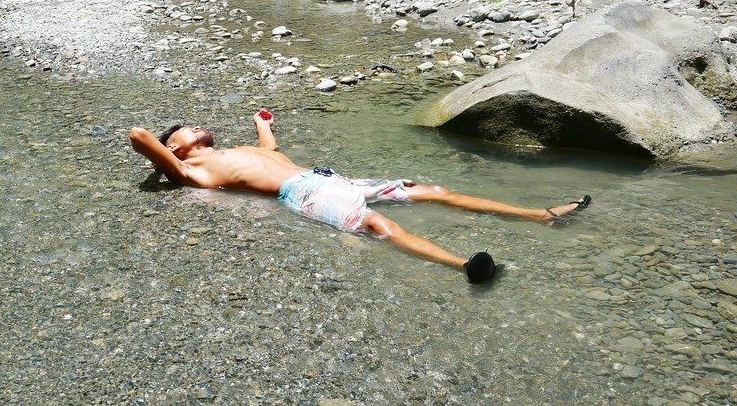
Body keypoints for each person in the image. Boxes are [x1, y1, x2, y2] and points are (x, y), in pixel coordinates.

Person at [130, 109, 592, 284]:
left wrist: (262, 125)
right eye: (187, 129)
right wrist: (166, 163)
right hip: (303, 193)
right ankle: (464, 267)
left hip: (328, 177)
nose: (196, 127)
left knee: (433, 191)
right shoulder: (190, 170)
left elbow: (271, 152)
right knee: (376, 226)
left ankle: (539, 214)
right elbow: (138, 135)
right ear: (177, 148)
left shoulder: (237, 150)